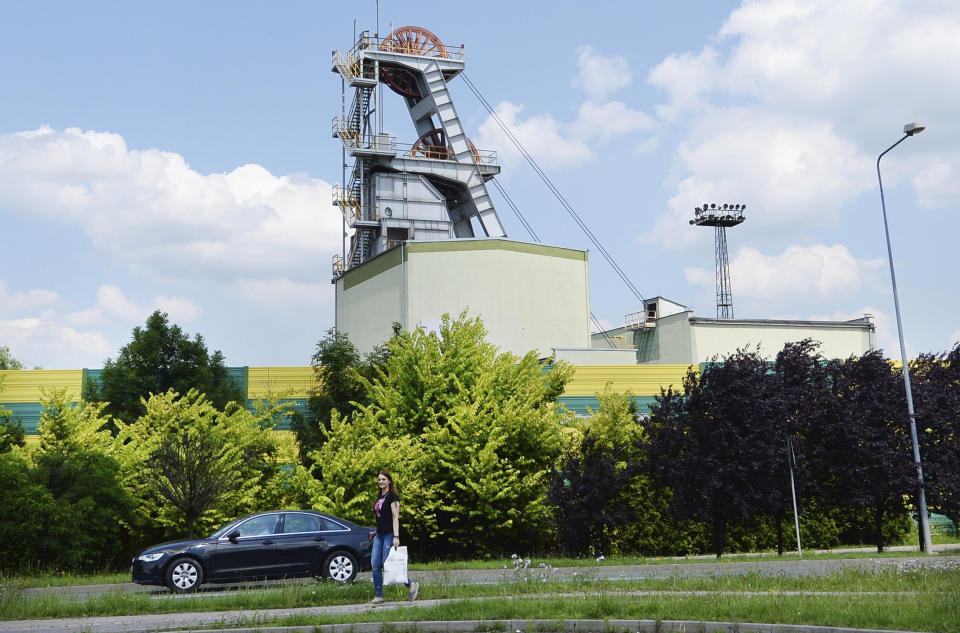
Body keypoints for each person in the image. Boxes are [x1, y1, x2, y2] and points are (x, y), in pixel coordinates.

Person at [368, 470, 418, 605]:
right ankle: (378, 596)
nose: (381, 482)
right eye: (379, 479)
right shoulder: (380, 496)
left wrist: (396, 536)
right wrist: (375, 532)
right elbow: (380, 517)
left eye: (383, 479)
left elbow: (395, 518)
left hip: (390, 534)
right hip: (379, 535)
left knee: (387, 562)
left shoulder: (392, 497)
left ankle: (410, 584)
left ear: (389, 481)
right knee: (375, 564)